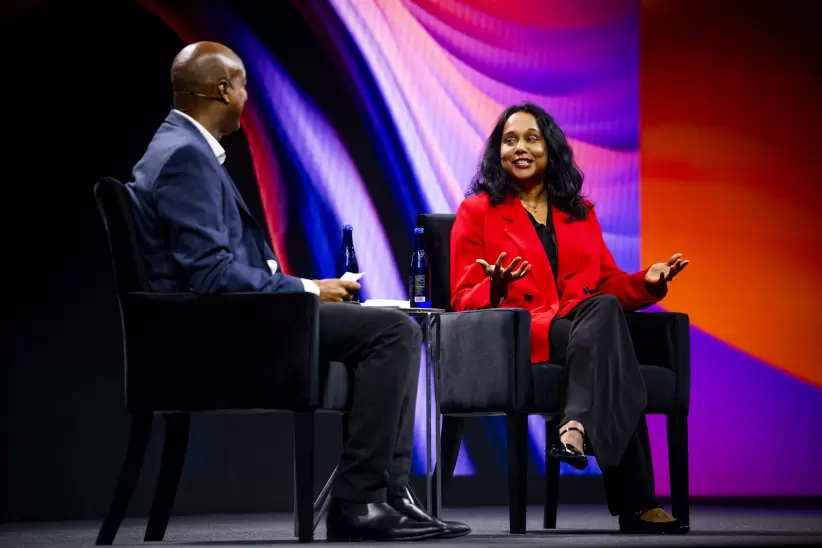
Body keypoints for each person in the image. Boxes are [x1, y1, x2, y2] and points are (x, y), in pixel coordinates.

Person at [126, 41, 469, 542]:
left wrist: (308, 290)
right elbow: (212, 276)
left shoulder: (179, 147)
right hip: (218, 334)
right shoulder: (184, 156)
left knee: (391, 327)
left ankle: (389, 494)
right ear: (223, 88)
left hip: (227, 321)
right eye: (244, 84)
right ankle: (360, 502)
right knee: (393, 330)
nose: (249, 95)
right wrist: (308, 289)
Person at [450, 103, 690, 535]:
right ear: (497, 151)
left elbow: (609, 285)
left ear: (550, 149)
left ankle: (574, 424)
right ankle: (636, 502)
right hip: (521, 334)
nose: (519, 148)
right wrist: (497, 287)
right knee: (611, 344)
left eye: (531, 138)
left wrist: (648, 282)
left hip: (580, 328)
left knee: (606, 318)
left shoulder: (580, 213)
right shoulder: (478, 211)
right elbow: (462, 296)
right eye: (509, 140)